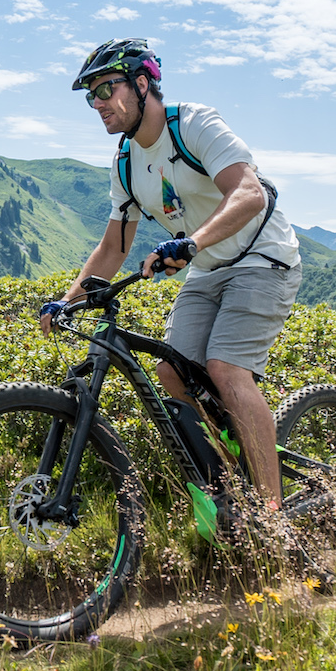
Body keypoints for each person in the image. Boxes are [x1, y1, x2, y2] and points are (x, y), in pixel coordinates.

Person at [39, 38, 302, 513]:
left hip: (263, 257)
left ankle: (272, 519)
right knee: (171, 371)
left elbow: (249, 193)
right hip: (206, 269)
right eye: (90, 95)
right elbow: (113, 247)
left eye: (105, 89)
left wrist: (192, 243)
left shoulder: (195, 124)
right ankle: (232, 486)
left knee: (225, 369)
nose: (97, 103)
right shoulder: (126, 161)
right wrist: (67, 300)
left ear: (141, 85)